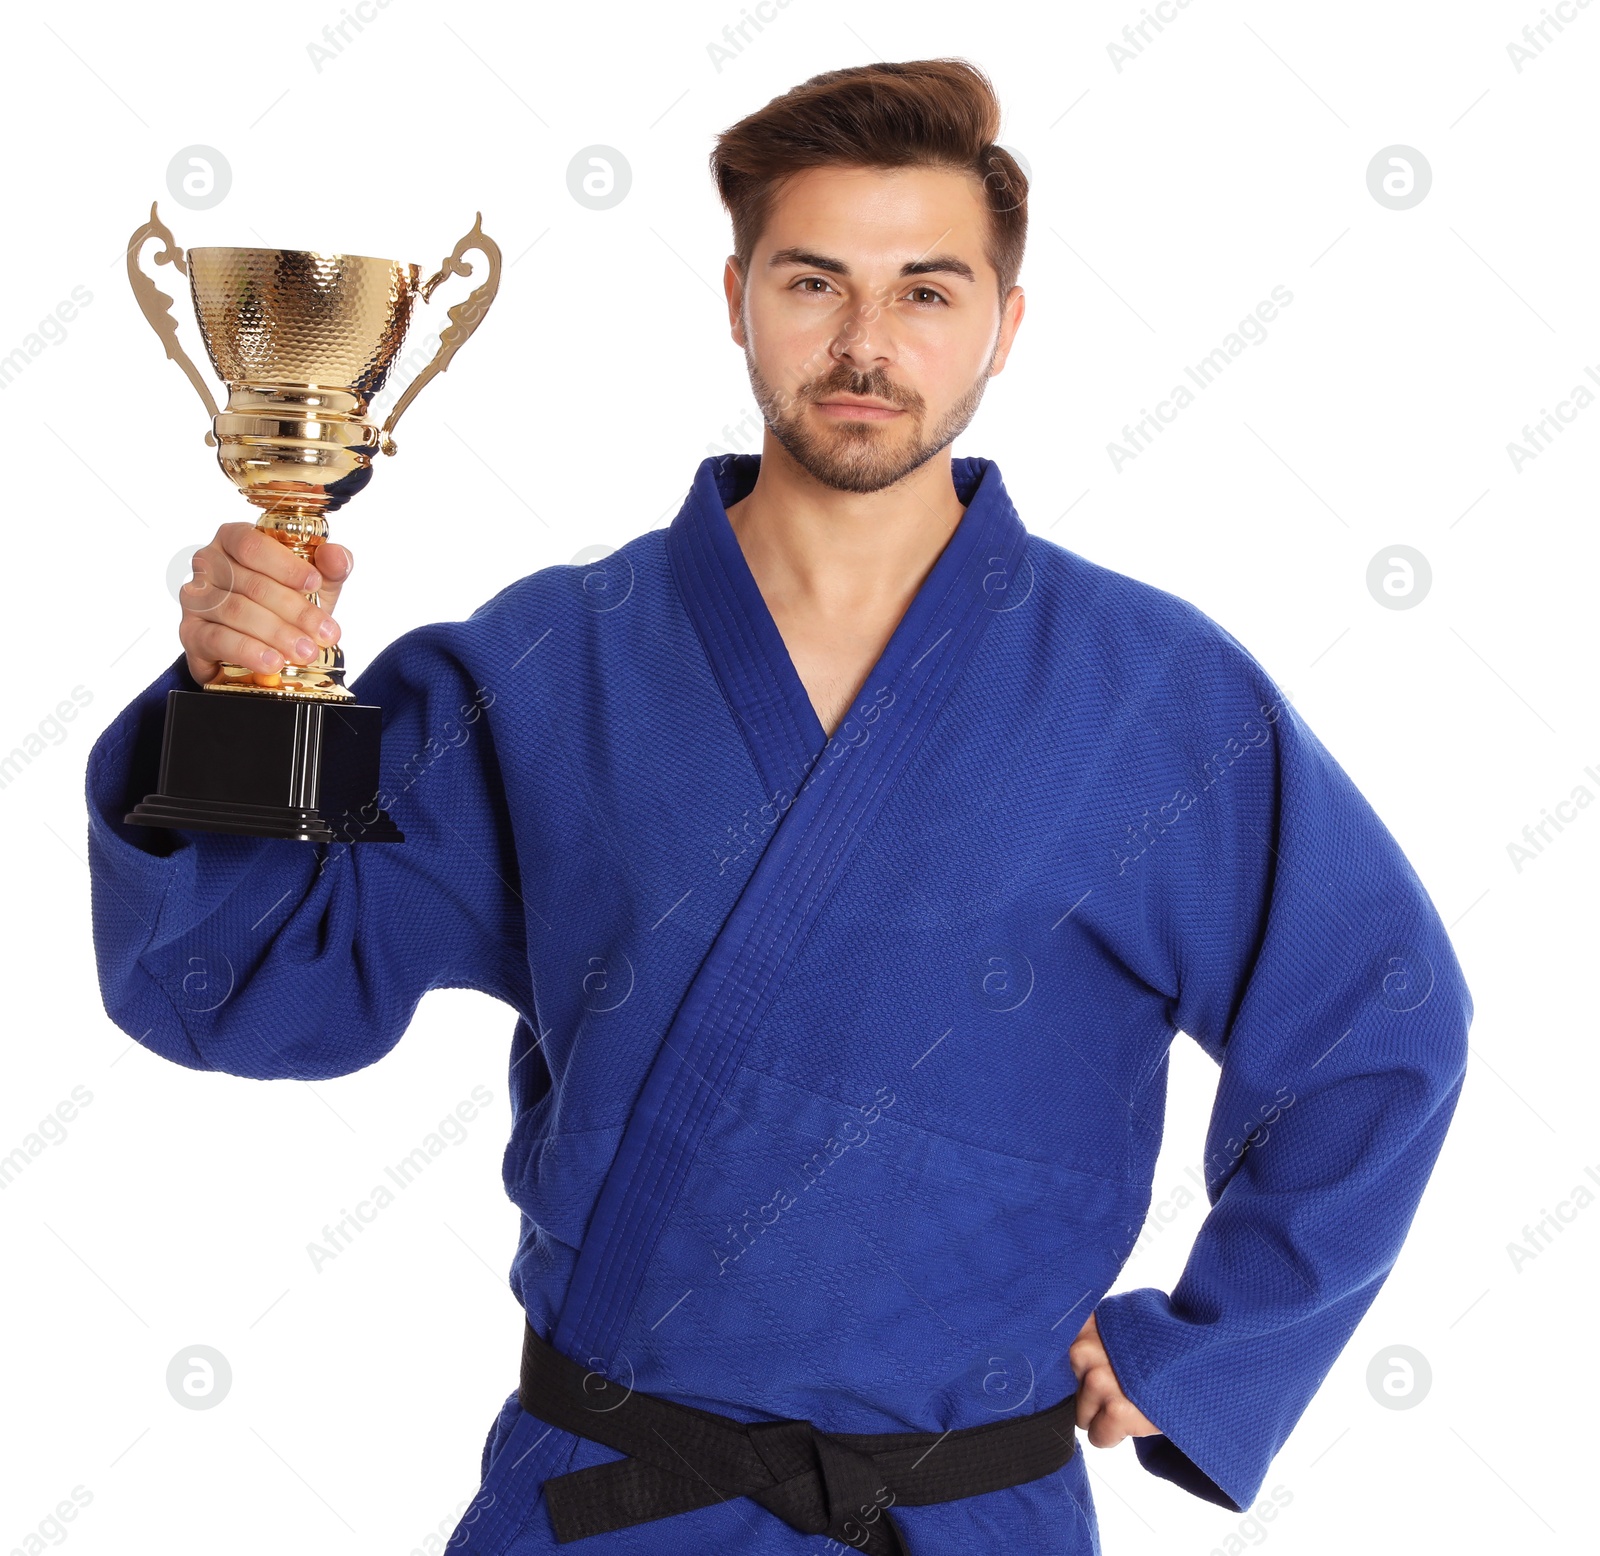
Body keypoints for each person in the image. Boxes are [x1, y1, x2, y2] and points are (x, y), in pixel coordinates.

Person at [84, 58, 1472, 1556]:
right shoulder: (553, 664)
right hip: (608, 1501)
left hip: (963, 1516)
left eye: (928, 291)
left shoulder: (1160, 699)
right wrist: (239, 702)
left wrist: (1215, 1346)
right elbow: (231, 992)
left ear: (1008, 326)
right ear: (738, 296)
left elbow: (1379, 1020)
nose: (867, 344)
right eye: (816, 282)